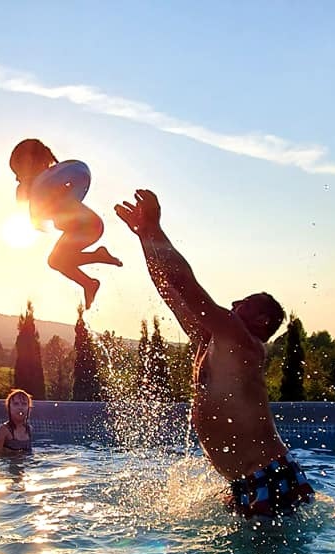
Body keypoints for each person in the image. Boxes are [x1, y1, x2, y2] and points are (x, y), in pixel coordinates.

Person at [113, 189, 314, 517]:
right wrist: (144, 238)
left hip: (270, 478)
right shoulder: (211, 343)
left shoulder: (244, 343)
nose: (234, 305)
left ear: (261, 320)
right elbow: (170, 289)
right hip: (243, 484)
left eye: (243, 303)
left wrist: (156, 229)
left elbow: (187, 284)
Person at [10, 138, 122, 309]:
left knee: (57, 260)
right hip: (80, 230)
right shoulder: (41, 188)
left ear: (30, 164)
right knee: (55, 261)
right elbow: (27, 202)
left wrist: (36, 197)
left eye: (18, 172)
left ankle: (97, 259)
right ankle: (89, 283)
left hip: (89, 226)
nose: (17, 179)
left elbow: (29, 198)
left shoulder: (52, 186)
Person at [0, 389, 34, 457]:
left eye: (24, 404)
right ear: (9, 407)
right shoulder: (4, 429)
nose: (20, 407)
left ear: (29, 408)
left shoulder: (29, 429)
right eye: (16, 404)